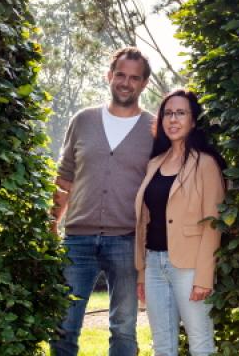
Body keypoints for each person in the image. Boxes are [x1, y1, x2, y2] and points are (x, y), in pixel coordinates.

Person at [50, 47, 155, 356]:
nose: (126, 82)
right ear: (109, 76)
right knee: (63, 326)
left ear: (144, 84)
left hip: (126, 240)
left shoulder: (153, 129)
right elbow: (65, 177)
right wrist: (51, 222)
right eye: (120, 75)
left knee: (123, 329)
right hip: (78, 240)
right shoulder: (83, 120)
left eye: (134, 78)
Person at [134, 89, 227, 356]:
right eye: (168, 113)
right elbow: (145, 222)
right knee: (163, 346)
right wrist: (142, 272)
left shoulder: (206, 164)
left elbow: (213, 224)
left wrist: (204, 277)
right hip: (154, 264)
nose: (173, 119)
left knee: (200, 343)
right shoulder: (154, 163)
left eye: (181, 113)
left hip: (189, 267)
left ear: (193, 121)